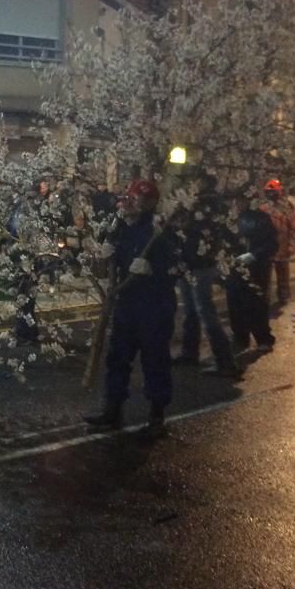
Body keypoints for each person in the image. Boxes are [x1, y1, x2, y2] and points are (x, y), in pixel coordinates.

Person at [83, 180, 179, 436]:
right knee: (118, 358)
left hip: (154, 306)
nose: (128, 203)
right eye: (129, 198)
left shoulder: (161, 232)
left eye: (135, 200)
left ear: (148, 204)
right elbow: (104, 270)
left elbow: (178, 268)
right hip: (127, 304)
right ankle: (112, 410)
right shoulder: (120, 230)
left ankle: (157, 415)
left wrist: (153, 271)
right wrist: (104, 257)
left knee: (155, 360)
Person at [174, 175, 238, 376]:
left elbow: (195, 231)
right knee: (191, 311)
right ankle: (189, 352)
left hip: (200, 264)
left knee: (204, 311)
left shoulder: (207, 206)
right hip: (190, 262)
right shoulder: (198, 204)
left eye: (196, 181)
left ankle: (225, 361)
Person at [227, 191, 278, 355]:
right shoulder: (230, 219)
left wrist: (254, 255)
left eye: (241, 200)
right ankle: (240, 337)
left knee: (256, 303)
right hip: (234, 266)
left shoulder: (261, 218)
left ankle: (263, 338)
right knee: (235, 303)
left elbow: (272, 243)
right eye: (236, 200)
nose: (237, 204)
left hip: (256, 268)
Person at [260, 179, 295, 307]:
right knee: (264, 275)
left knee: (282, 273)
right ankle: (264, 297)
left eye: (273, 192)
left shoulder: (286, 208)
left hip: (282, 245)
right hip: (266, 245)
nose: (271, 195)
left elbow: (293, 227)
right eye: (269, 192)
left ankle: (283, 295)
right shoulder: (263, 208)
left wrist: (291, 244)